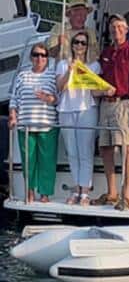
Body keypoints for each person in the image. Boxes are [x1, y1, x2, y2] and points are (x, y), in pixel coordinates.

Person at [92, 14, 129, 211]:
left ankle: (127, 195)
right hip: (106, 105)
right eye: (113, 27)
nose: (117, 31)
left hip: (126, 104)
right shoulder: (105, 53)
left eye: (120, 27)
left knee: (126, 149)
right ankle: (112, 192)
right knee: (106, 149)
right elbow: (96, 82)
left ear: (126, 30)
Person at [8, 43, 58, 203]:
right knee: (28, 161)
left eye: (43, 55)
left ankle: (45, 193)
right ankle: (29, 191)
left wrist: (48, 98)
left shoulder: (52, 75)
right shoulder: (22, 75)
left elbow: (58, 99)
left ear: (47, 58)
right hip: (26, 125)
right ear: (31, 57)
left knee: (47, 161)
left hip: (47, 124)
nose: (40, 58)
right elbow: (14, 99)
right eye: (36, 55)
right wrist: (12, 116)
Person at [55, 31, 100, 206]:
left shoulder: (94, 65)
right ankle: (77, 188)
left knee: (85, 151)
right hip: (66, 109)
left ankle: (85, 192)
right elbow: (60, 87)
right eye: (76, 42)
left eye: (83, 43)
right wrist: (70, 70)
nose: (79, 46)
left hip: (86, 109)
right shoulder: (61, 65)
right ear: (71, 44)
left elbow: (96, 90)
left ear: (87, 46)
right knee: (72, 152)